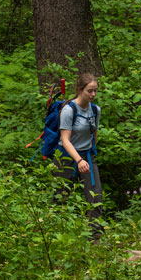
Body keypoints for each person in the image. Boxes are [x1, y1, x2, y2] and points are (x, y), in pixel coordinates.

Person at [55, 72, 102, 230]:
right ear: (80, 90)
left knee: (96, 197)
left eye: (95, 90)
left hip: (87, 155)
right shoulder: (69, 110)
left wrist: (88, 156)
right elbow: (65, 140)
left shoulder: (95, 110)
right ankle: (53, 234)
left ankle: (94, 235)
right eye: (90, 91)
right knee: (60, 197)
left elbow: (94, 133)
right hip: (66, 157)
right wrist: (78, 160)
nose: (93, 94)